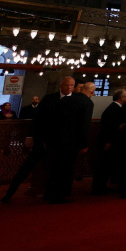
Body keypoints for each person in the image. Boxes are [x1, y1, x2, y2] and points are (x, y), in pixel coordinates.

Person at [42, 76, 93, 204]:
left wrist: (82, 143)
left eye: (71, 86)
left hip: (69, 141)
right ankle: (52, 193)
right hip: (55, 140)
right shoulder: (50, 98)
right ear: (61, 85)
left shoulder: (78, 101)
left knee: (65, 168)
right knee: (54, 167)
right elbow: (42, 119)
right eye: (66, 85)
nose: (69, 88)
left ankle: (60, 193)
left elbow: (83, 124)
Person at [92, 89, 126, 195]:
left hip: (109, 141)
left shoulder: (115, 108)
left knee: (106, 166)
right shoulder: (114, 109)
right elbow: (109, 128)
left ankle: (101, 187)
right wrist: (108, 141)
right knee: (104, 166)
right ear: (121, 98)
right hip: (108, 141)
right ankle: (98, 188)